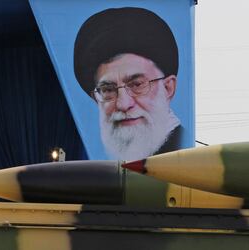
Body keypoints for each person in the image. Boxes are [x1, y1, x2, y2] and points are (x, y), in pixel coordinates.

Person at [74, 7, 181, 160]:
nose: (123, 104)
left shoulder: (182, 162)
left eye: (137, 85)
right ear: (96, 98)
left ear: (168, 88)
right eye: (108, 90)